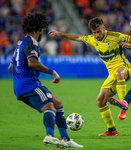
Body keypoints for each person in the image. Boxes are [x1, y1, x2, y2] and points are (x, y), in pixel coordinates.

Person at [48, 17, 131, 136]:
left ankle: (124, 104)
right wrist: (60, 34)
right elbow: (78, 37)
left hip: (124, 68)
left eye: (98, 31)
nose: (97, 35)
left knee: (119, 73)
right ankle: (112, 130)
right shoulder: (92, 39)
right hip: (112, 74)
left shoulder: (115, 36)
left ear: (104, 28)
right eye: (94, 32)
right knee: (100, 100)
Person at [8, 12, 83, 148]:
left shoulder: (21, 42)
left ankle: (65, 139)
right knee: (50, 107)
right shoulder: (32, 41)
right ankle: (49, 136)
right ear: (38, 29)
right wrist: (52, 72)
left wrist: (20, 79)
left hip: (21, 85)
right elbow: (32, 63)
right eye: (42, 29)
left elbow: (10, 68)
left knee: (57, 104)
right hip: (29, 85)